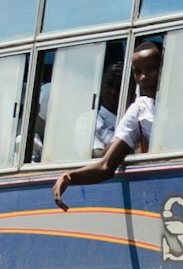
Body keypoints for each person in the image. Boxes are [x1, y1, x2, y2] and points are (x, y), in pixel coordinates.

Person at [51, 39, 166, 208]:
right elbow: (106, 165)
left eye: (151, 69)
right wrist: (70, 177)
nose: (143, 77)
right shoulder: (140, 109)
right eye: (137, 72)